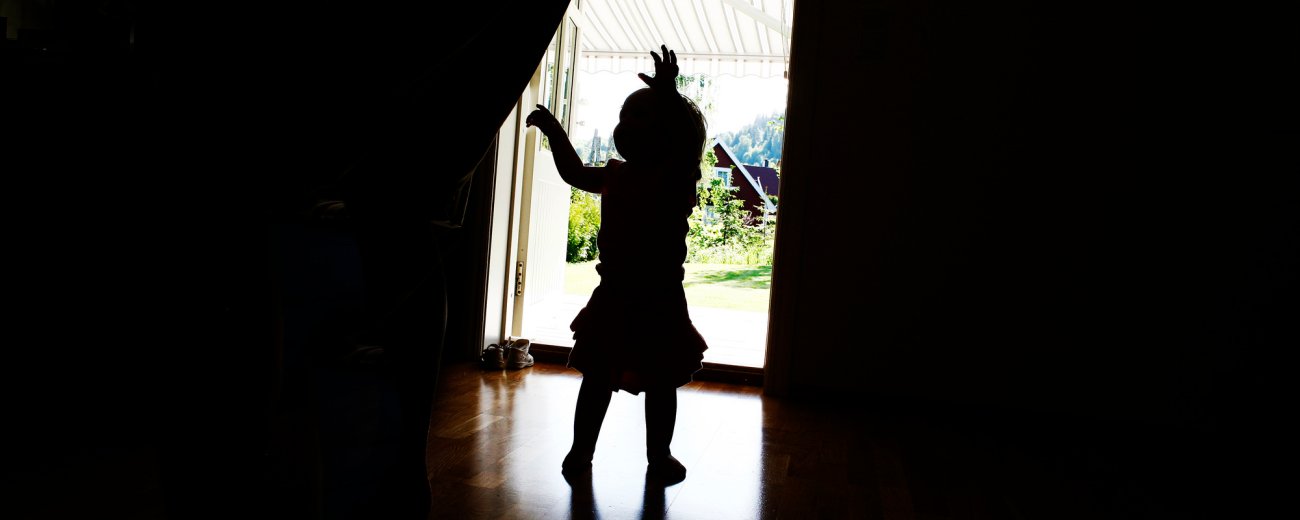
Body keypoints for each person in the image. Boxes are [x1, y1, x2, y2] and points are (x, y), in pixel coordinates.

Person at [525, 45, 710, 485]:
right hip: (616, 295)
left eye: (639, 116)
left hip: (659, 299)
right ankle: (582, 452)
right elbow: (572, 173)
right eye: (624, 116)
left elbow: (687, 142)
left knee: (659, 383)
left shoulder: (675, 178)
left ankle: (657, 455)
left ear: (667, 132)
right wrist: (554, 131)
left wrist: (669, 95)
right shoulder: (615, 175)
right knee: (598, 379)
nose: (625, 125)